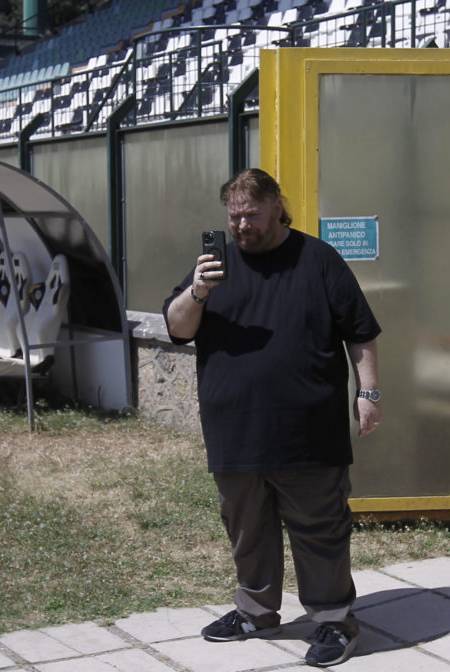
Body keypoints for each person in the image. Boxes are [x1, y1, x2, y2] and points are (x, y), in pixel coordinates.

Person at [162, 169, 382, 667]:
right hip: (235, 429)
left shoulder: (318, 259)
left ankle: (333, 621)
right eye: (234, 216)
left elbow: (360, 330)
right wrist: (196, 291)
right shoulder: (214, 266)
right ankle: (256, 611)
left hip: (309, 430)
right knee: (247, 528)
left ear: (278, 206)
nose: (242, 226)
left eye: (252, 215)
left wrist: (368, 391)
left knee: (320, 528)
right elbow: (177, 329)